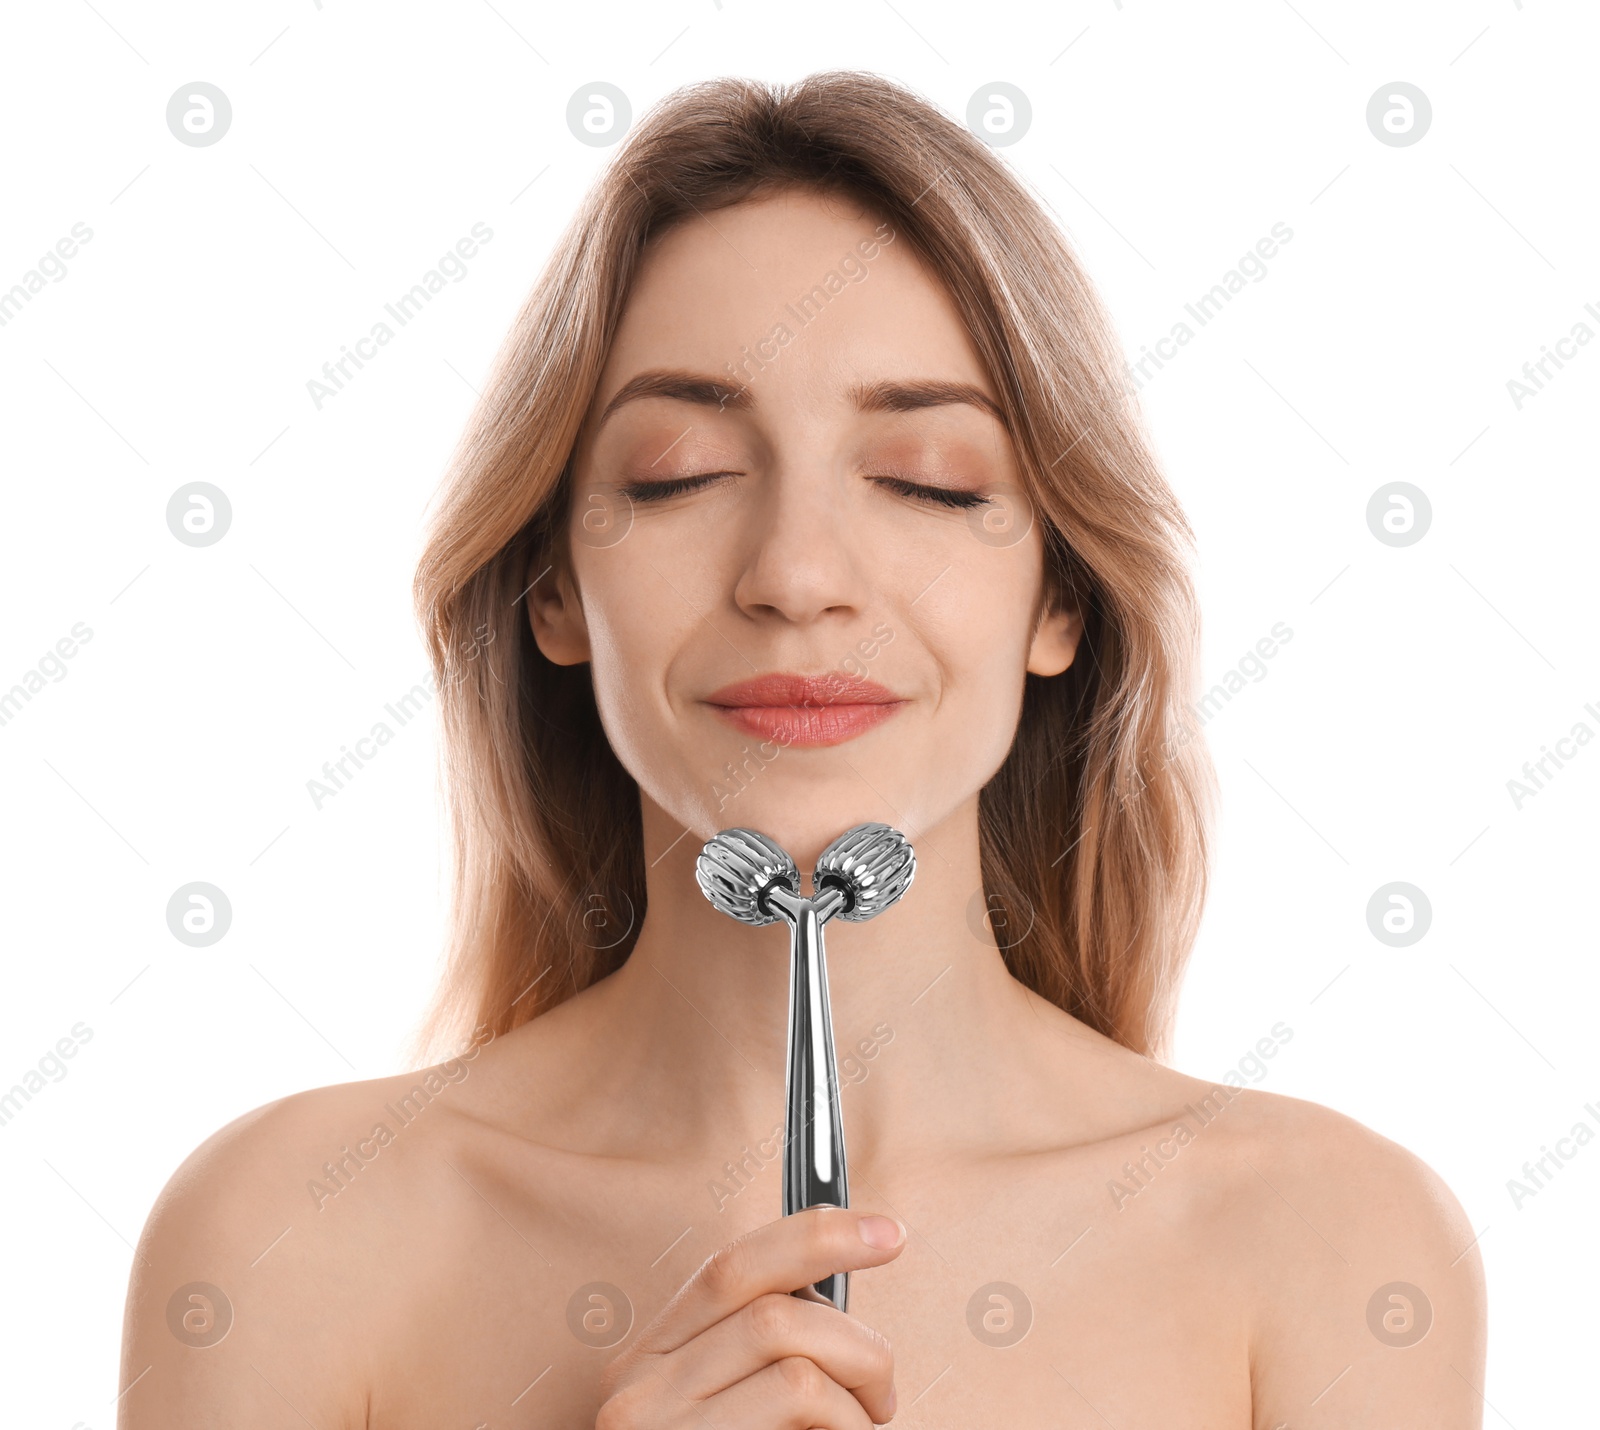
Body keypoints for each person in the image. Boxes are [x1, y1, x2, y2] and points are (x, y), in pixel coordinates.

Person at [119, 71, 1486, 1427]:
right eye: (680, 473)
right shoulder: (283, 1240)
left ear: (1060, 595)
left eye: (928, 481)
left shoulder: (1330, 1242)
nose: (797, 573)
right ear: (550, 585)